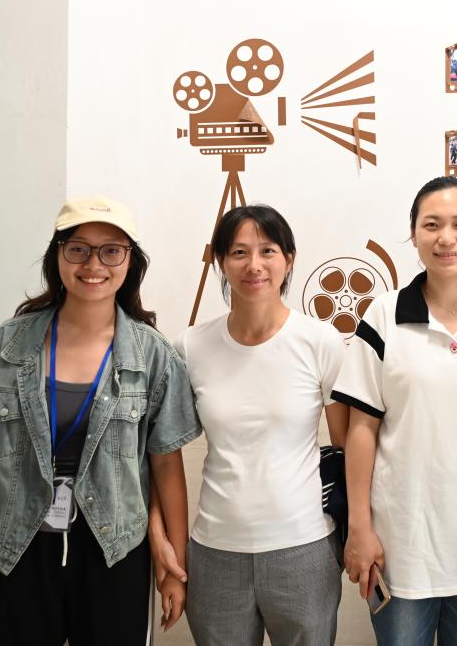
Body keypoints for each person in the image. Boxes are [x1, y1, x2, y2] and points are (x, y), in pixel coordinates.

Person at [0, 196, 201, 646]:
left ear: (130, 261)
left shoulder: (153, 355)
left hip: (113, 551)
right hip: (12, 549)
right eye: (78, 248)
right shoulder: (7, 347)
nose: (93, 264)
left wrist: (175, 567)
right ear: (57, 255)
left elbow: (165, 465)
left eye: (111, 251)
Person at [333, 176, 457, 646]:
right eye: (432, 225)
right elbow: (360, 430)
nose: (447, 238)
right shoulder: (383, 315)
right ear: (414, 233)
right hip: (400, 545)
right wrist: (359, 527)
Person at [148, 204, 349, 646]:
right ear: (221, 261)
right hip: (214, 551)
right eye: (239, 252)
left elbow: (348, 449)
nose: (254, 265)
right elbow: (161, 454)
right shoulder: (191, 346)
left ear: (289, 259)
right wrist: (163, 541)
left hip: (304, 548)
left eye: (267, 250)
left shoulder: (320, 342)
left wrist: (361, 535)